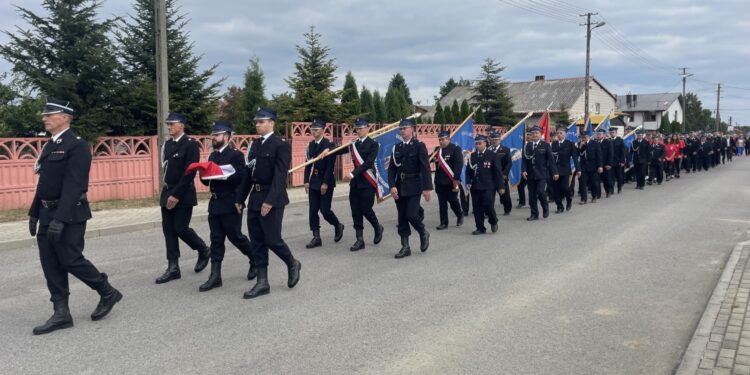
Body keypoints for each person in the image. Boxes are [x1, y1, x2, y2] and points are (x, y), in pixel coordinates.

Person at [28, 98, 122, 335]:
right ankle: (61, 313)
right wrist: (34, 213)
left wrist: (60, 218)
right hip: (47, 211)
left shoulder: (77, 145)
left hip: (69, 213)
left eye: (50, 114)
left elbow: (75, 185)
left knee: (70, 259)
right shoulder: (50, 145)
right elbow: (44, 183)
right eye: (45, 115)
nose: (45, 118)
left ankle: (107, 291)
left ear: (65, 118)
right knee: (49, 262)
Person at [236, 108, 301, 299]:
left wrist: (270, 201)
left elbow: (281, 176)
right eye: (256, 122)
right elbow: (248, 175)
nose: (258, 125)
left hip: (272, 198)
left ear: (271, 123)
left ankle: (292, 263)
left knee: (272, 239)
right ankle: (262, 282)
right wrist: (240, 198)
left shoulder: (280, 144)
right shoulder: (254, 145)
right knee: (256, 242)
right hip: (255, 198)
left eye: (261, 121)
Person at [198, 121, 257, 292]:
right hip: (215, 203)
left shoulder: (236, 155)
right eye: (213, 135)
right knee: (216, 240)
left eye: (216, 135)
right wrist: (203, 174)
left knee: (236, 236)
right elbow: (208, 182)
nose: (213, 138)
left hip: (231, 202)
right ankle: (215, 276)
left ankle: (254, 258)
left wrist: (239, 200)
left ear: (227, 136)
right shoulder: (212, 156)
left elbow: (241, 179)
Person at [156, 112, 210, 284]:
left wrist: (176, 195)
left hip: (183, 193)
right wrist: (167, 192)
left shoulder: (190, 145)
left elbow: (189, 172)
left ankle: (203, 249)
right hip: (167, 191)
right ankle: (173, 267)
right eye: (168, 124)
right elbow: (166, 170)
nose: (169, 127)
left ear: (182, 125)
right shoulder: (167, 145)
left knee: (180, 228)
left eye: (172, 124)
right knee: (168, 229)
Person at [321, 118, 384, 251]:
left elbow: (367, 163)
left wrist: (351, 174)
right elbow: (339, 150)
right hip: (356, 184)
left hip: (367, 181)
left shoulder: (373, 144)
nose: (359, 131)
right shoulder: (354, 144)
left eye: (361, 128)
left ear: (368, 128)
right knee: (355, 211)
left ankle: (377, 227)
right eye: (357, 128)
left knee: (366, 209)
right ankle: (359, 240)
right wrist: (328, 149)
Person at [388, 118, 433, 258]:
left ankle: (423, 231)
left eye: (405, 128)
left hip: (414, 185)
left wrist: (427, 188)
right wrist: (392, 186)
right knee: (402, 217)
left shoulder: (419, 146)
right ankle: (405, 247)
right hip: (400, 186)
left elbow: (425, 167)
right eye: (400, 129)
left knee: (412, 214)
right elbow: (391, 170)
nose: (402, 131)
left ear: (411, 129)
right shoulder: (397, 148)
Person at [303, 119, 345, 249]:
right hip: (314, 181)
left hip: (325, 181)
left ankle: (338, 225)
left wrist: (325, 183)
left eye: (316, 129)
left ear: (323, 130)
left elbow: (330, 167)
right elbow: (308, 164)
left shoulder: (329, 145)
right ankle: (316, 237)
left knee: (325, 210)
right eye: (312, 129)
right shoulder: (310, 145)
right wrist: (306, 181)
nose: (314, 131)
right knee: (313, 210)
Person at [466, 135, 504, 234]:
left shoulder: (492, 155)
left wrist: (501, 186)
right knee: (477, 207)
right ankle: (480, 228)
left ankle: (493, 220)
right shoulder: (472, 155)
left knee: (488, 205)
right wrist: (468, 182)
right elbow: (468, 171)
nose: (478, 145)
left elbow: (498, 172)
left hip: (489, 186)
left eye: (480, 143)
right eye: (476, 144)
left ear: (485, 143)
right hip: (475, 186)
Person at [521, 126, 558, 220]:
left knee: (541, 191)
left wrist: (555, 172)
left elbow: (551, 160)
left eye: (536, 133)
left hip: (542, 174)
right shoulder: (527, 146)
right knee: (532, 195)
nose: (534, 135)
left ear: (540, 134)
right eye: (533, 133)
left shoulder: (545, 145)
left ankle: (545, 207)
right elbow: (524, 160)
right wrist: (524, 170)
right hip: (530, 174)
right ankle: (534, 214)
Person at [433, 130, 464, 229]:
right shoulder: (437, 150)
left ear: (448, 139)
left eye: (442, 139)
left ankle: (459, 215)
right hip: (439, 181)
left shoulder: (455, 149)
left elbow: (459, 165)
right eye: (439, 139)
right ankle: (444, 222)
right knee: (442, 203)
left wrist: (456, 179)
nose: (440, 141)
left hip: (452, 181)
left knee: (453, 201)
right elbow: (429, 158)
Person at [550, 126, 580, 213]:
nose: (559, 135)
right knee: (555, 190)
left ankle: (569, 198)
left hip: (565, 170)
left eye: (561, 133)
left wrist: (578, 169)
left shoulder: (570, 144)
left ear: (565, 134)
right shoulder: (553, 144)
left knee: (565, 188)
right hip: (554, 170)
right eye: (558, 133)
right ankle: (560, 207)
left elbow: (574, 157)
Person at [488, 131, 513, 216]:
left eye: (496, 139)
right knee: (489, 196)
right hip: (490, 177)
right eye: (492, 140)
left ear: (499, 140)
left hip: (501, 175)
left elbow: (509, 163)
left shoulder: (505, 150)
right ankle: (489, 212)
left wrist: (505, 174)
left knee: (504, 195)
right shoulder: (488, 150)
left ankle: (507, 209)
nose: (494, 141)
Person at [578, 133, 602, 203]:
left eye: (585, 137)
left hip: (593, 167)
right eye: (582, 137)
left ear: (589, 137)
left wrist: (600, 166)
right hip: (583, 167)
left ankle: (594, 196)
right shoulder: (579, 144)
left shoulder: (595, 143)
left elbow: (599, 155)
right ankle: (583, 199)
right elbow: (577, 154)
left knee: (593, 182)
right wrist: (581, 146)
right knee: (582, 183)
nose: (583, 138)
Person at [596, 128, 614, 197]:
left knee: (606, 180)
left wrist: (609, 164)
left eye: (600, 134)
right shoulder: (595, 142)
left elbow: (611, 154)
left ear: (603, 135)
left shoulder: (608, 142)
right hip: (597, 164)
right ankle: (598, 194)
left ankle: (608, 191)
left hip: (605, 164)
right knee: (596, 180)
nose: (598, 136)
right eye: (597, 134)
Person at [610, 127, 627, 193]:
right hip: (610, 162)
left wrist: (622, 161)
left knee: (619, 176)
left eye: (613, 132)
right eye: (611, 132)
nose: (612, 134)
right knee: (611, 177)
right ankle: (611, 189)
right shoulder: (608, 140)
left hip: (618, 161)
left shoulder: (620, 140)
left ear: (616, 133)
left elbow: (623, 151)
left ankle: (619, 187)